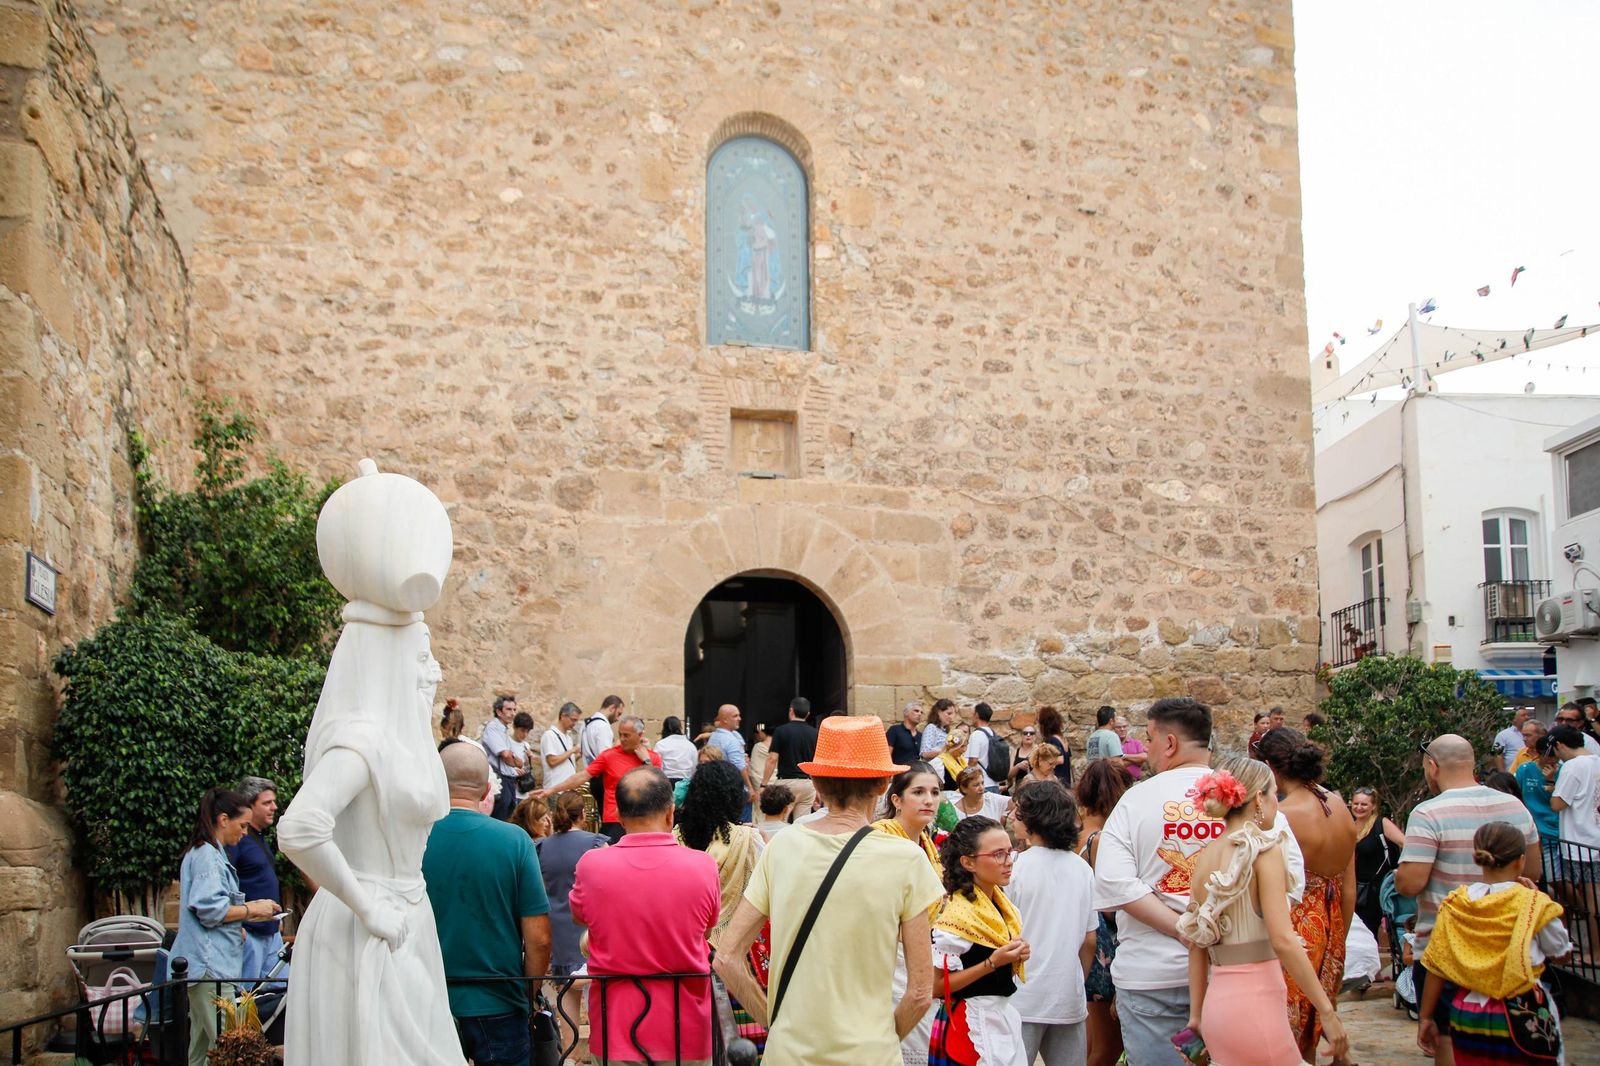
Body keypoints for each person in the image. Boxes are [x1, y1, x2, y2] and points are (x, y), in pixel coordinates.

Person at [715, 716, 945, 1066]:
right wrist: (881, 1041)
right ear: (884, 784)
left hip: (789, 1052)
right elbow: (919, 992)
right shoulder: (906, 859)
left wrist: (774, 1024)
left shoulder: (783, 847)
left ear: (816, 782)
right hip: (870, 1054)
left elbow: (727, 957)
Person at [1092, 697, 1305, 1066]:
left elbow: (1114, 884)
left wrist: (1182, 929)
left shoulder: (1135, 801)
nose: (1146, 748)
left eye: (1150, 738)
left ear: (1170, 743)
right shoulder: (1250, 802)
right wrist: (1229, 931)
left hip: (1154, 975)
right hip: (1235, 977)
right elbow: (1291, 884)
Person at [1176, 759, 1349, 1066]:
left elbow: (1197, 944)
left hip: (1218, 1011)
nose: (1276, 804)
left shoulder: (1204, 859)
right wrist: (1326, 1010)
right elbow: (1283, 939)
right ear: (1258, 798)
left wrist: (1196, 1016)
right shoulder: (1264, 851)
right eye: (1273, 795)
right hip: (1257, 1007)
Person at [1395, 734, 1541, 1066]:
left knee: (1451, 1040)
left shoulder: (1429, 813)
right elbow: (1533, 870)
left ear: (1432, 767)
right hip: (1507, 948)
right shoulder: (1514, 806)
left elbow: (1410, 884)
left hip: (1446, 952)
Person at [571, 767, 720, 1065]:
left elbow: (581, 918)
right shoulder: (702, 865)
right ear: (670, 813)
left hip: (617, 1023)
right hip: (686, 1022)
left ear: (619, 816)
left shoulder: (592, 865)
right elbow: (706, 928)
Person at [421, 743, 552, 1066]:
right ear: (485, 790)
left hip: (423, 997)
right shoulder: (514, 840)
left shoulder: (412, 838)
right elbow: (539, 937)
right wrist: (528, 991)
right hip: (498, 999)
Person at [1417, 822, 1571, 1066]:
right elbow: (1561, 952)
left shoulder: (1456, 904)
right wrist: (1544, 904)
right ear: (1520, 861)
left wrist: (1425, 1017)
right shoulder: (1532, 904)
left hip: (1466, 1014)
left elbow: (1437, 966)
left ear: (1478, 858)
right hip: (1523, 1012)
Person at [1254, 727, 1356, 1063]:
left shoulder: (1283, 817)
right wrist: (1337, 938)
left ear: (1270, 767)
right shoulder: (1340, 806)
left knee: (1286, 1032)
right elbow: (1349, 888)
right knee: (1310, 1028)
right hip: (1332, 924)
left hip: (1295, 925)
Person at [172, 788, 281, 1066]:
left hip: (206, 967)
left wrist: (247, 916)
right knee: (233, 1047)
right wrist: (252, 909)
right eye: (242, 825)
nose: (245, 833)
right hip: (212, 968)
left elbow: (213, 909)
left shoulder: (205, 853)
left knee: (202, 1049)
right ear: (223, 819)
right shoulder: (208, 855)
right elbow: (209, 909)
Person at [1007, 781, 1096, 1066]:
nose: (1012, 817)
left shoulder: (1015, 868)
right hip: (1067, 993)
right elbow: (1089, 940)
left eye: (1018, 811)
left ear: (1033, 819)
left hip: (1022, 996)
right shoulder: (1082, 868)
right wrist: (1075, 980)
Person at [929, 816, 1030, 1066]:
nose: (1008, 862)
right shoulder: (956, 915)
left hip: (1002, 1016)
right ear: (968, 862)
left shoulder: (1002, 905)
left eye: (1010, 852)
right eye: (998, 855)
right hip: (968, 1024)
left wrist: (1015, 954)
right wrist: (992, 963)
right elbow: (937, 987)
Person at [873, 763, 945, 1066]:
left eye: (934, 792)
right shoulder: (880, 841)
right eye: (918, 792)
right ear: (896, 800)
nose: (928, 800)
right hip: (888, 957)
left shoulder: (927, 843)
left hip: (921, 953)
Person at [536, 792, 607, 1061]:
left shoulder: (541, 847)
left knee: (565, 998)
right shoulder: (597, 843)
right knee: (598, 995)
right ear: (584, 815)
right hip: (590, 927)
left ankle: (571, 1055)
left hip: (558, 926)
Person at [1075, 760, 1132, 1066]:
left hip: (1083, 943)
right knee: (1108, 1047)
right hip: (1104, 948)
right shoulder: (1102, 840)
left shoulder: (1076, 836)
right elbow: (1111, 904)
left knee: (1091, 1043)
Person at [678, 760, 767, 944]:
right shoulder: (748, 839)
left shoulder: (675, 836)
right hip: (732, 943)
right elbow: (766, 885)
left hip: (682, 941)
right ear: (734, 797)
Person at [537, 715, 663, 843]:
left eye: (627, 735)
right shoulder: (609, 756)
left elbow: (659, 788)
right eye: (620, 734)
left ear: (640, 735)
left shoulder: (653, 758)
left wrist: (647, 762)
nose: (622, 739)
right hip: (614, 820)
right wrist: (552, 790)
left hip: (642, 818)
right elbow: (582, 776)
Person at [226, 776, 286, 985]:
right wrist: (237, 926)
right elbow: (226, 884)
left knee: (283, 992)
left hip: (271, 934)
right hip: (249, 936)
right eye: (267, 803)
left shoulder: (260, 838)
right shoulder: (236, 841)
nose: (274, 807)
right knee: (247, 1002)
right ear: (249, 805)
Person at [1549, 724, 1600, 955]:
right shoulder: (1597, 760)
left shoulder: (1572, 766)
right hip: (1595, 838)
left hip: (1579, 843)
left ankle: (1595, 953)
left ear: (1559, 745)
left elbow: (1558, 803)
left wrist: (1551, 786)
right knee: (1594, 900)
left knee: (1591, 904)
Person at [1349, 786, 1405, 936]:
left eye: (1364, 804)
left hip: (1377, 889)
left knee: (1370, 930)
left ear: (1373, 806)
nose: (1359, 808)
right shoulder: (1351, 826)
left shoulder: (1381, 824)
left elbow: (1404, 843)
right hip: (1356, 889)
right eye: (1356, 804)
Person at [764, 696, 818, 820]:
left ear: (791, 711)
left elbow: (772, 759)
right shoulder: (815, 733)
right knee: (802, 823)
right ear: (808, 714)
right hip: (807, 783)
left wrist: (764, 785)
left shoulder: (781, 731)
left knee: (779, 820)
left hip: (786, 783)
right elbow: (816, 761)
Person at [481, 695, 525, 820]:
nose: (512, 713)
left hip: (508, 779)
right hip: (500, 779)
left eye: (514, 710)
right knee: (499, 816)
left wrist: (514, 758)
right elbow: (505, 755)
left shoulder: (504, 730)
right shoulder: (493, 727)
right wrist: (514, 759)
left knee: (507, 814)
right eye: (509, 709)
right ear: (499, 712)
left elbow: (518, 761)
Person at [708, 703, 754, 818]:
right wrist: (750, 788)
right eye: (735, 716)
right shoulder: (731, 740)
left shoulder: (713, 737)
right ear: (725, 720)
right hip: (735, 791)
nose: (739, 718)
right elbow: (739, 766)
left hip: (717, 788)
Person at [540, 701, 582, 790]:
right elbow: (552, 761)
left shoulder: (568, 737)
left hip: (568, 788)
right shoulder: (550, 735)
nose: (574, 723)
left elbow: (566, 760)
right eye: (573, 719)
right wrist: (572, 750)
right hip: (555, 788)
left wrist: (579, 755)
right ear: (563, 716)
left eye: (576, 721)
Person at [964, 703, 1002, 792]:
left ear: (977, 715)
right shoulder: (993, 733)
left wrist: (965, 776)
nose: (971, 717)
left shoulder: (976, 734)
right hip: (994, 783)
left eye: (973, 714)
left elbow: (973, 761)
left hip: (982, 784)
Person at [1034, 705, 1072, 786]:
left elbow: (1060, 759)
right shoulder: (1062, 738)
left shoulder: (1053, 740)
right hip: (1065, 781)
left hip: (1057, 783)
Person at [656, 714, 698, 782]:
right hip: (686, 781)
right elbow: (695, 766)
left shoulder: (660, 744)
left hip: (667, 781)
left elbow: (658, 765)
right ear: (680, 728)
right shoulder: (690, 746)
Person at [1492, 706, 1533, 773]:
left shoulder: (1533, 734)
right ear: (1514, 719)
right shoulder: (1503, 735)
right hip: (1512, 776)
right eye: (1523, 715)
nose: (1527, 717)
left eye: (1527, 715)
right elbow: (1497, 756)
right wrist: (1503, 776)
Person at [888, 701, 925, 767]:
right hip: (899, 774)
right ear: (906, 713)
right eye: (916, 711)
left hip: (918, 774)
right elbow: (887, 755)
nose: (919, 714)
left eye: (921, 712)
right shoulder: (895, 730)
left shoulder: (921, 736)